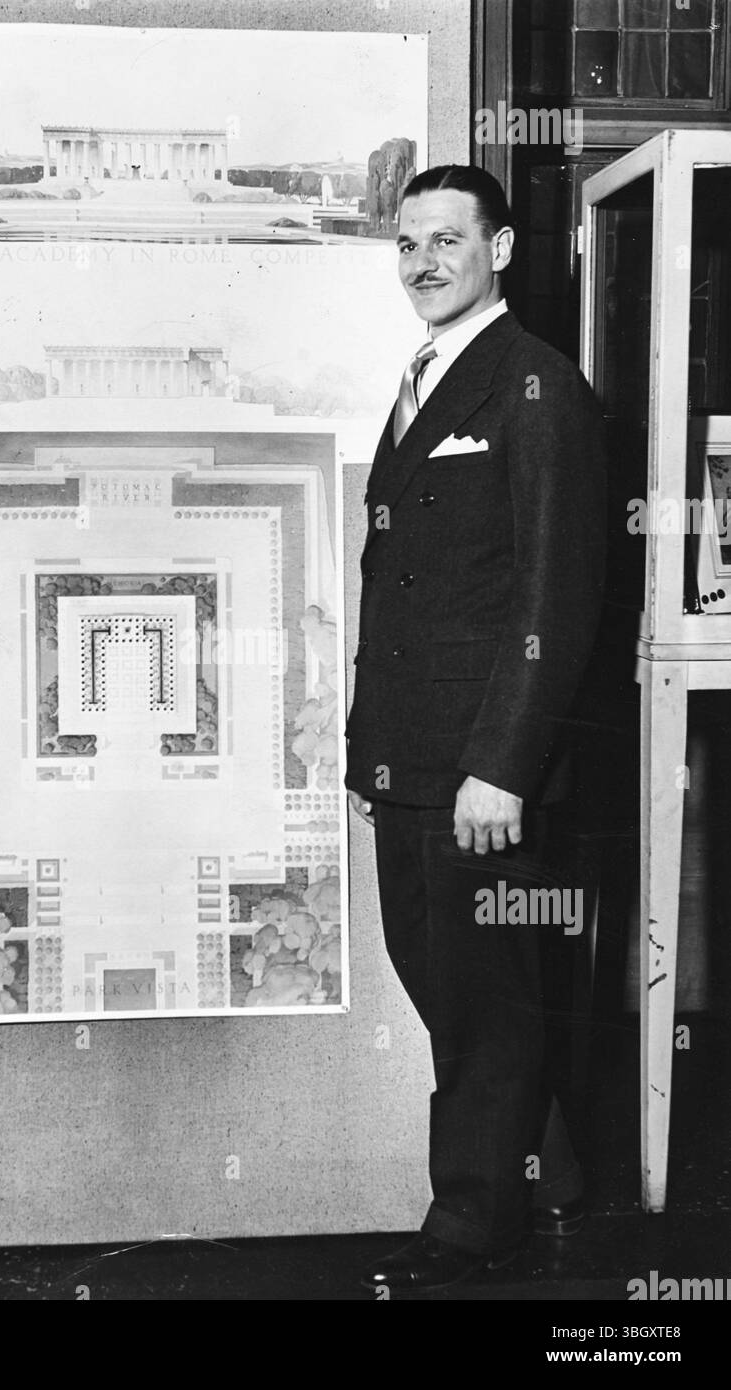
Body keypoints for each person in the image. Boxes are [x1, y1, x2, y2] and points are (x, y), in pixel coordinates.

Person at [344, 164, 607, 1292]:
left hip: (476, 769)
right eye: (407, 244)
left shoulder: (537, 386)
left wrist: (501, 768)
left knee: (478, 993)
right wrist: (369, 750)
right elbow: (405, 589)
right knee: (439, 970)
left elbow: (558, 594)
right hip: (408, 757)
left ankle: (474, 1220)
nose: (424, 262)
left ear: (499, 249)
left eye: (448, 240)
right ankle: (550, 1172)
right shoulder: (421, 379)